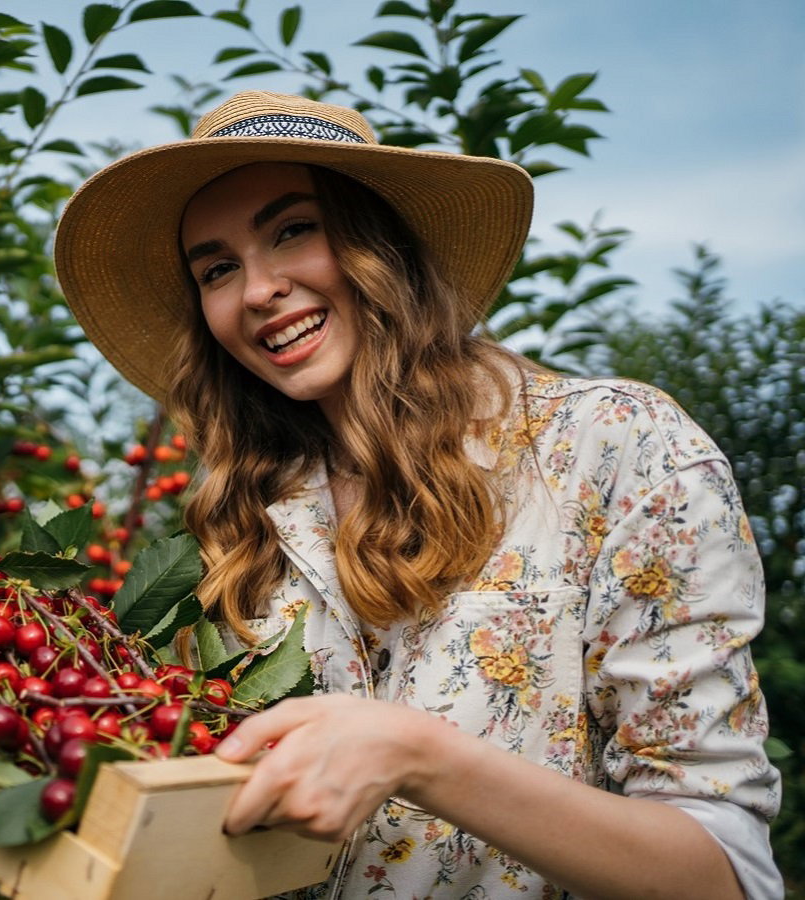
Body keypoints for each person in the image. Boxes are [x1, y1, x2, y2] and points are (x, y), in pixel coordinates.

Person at [53, 91, 782, 898]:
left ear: (381, 245)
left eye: (294, 229)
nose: (258, 289)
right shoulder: (248, 529)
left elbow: (724, 873)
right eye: (218, 269)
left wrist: (421, 758)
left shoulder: (614, 450)